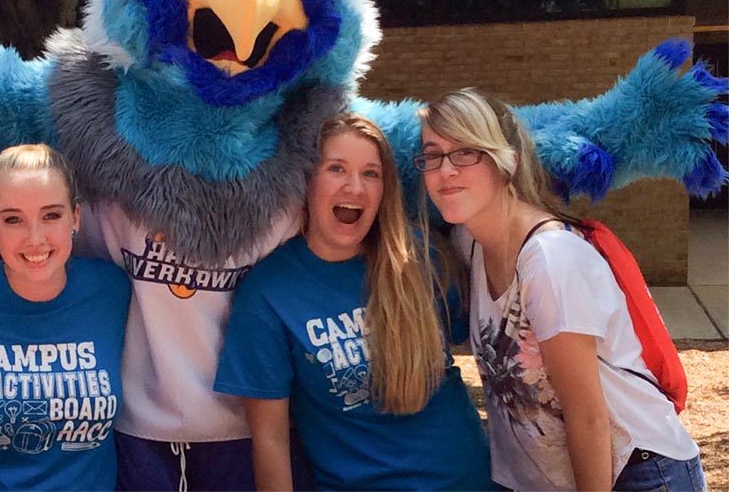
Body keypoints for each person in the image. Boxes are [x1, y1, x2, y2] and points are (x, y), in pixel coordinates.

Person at [417, 89, 704, 491]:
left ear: (507, 163)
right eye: (433, 154)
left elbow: (587, 415)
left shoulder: (551, 260)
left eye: (466, 151)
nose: (446, 169)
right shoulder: (471, 243)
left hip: (637, 472)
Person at [215, 114, 492, 491]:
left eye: (371, 174)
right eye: (337, 169)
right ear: (307, 179)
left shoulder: (420, 256)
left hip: (467, 480)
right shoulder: (268, 293)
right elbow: (271, 441)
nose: (355, 187)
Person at [0, 144, 131, 491]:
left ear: (76, 218)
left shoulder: (111, 291)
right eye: (13, 220)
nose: (35, 239)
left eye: (51, 215)